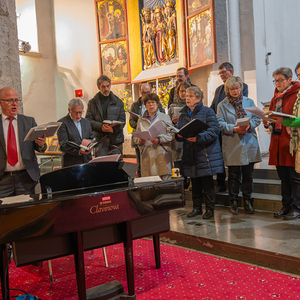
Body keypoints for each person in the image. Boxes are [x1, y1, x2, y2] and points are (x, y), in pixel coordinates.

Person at [176, 86, 223, 219]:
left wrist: (199, 138)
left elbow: (214, 131)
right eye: (186, 95)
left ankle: (210, 209)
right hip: (190, 153)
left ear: (199, 98)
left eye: (190, 96)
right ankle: (196, 208)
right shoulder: (183, 114)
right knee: (194, 184)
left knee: (207, 183)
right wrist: (178, 135)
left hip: (205, 153)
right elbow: (180, 129)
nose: (187, 98)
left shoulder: (208, 112)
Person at [217, 76, 261, 215]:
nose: (235, 91)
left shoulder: (249, 101)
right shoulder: (222, 105)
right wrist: (234, 128)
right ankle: (234, 201)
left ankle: (247, 200)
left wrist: (249, 125)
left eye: (237, 88)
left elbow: (257, 118)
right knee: (234, 175)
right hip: (233, 142)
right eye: (232, 89)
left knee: (248, 175)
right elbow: (219, 123)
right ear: (227, 90)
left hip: (248, 141)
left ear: (241, 87)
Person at [262, 67, 300, 220]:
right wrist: (267, 123)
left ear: (290, 80)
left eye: (280, 80)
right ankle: (286, 206)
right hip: (277, 143)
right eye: (275, 80)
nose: (277, 83)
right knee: (283, 178)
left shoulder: (297, 95)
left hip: (291, 142)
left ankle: (297, 208)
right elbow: (272, 118)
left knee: (295, 178)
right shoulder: (275, 98)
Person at [0, 87, 47, 198]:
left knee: (26, 213)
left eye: (16, 100)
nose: (15, 104)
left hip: (26, 178)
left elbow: (39, 146)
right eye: (10, 100)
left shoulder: (29, 121)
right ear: (1, 103)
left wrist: (41, 144)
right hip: (2, 179)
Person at [211, 62, 249, 193]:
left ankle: (245, 197)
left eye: (223, 72)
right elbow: (213, 108)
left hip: (241, 132)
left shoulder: (244, 88)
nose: (221, 75)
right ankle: (222, 185)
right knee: (225, 162)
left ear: (231, 71)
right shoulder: (218, 90)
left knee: (244, 171)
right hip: (226, 131)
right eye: (220, 73)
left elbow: (245, 108)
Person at [133, 93, 173, 180]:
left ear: (158, 104)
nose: (151, 105)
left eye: (153, 102)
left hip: (162, 154)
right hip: (147, 155)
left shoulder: (165, 117)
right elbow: (135, 138)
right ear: (145, 105)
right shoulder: (141, 120)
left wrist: (159, 139)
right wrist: (140, 140)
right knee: (149, 185)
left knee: (164, 184)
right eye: (148, 103)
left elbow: (171, 135)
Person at [129, 83, 164, 177]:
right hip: (142, 138)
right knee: (141, 165)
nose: (144, 95)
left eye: (147, 92)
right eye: (143, 93)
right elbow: (131, 121)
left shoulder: (158, 105)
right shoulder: (135, 105)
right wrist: (141, 125)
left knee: (157, 164)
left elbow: (163, 122)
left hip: (156, 138)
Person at [86, 75, 125, 157]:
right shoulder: (92, 103)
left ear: (110, 85)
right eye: (103, 87)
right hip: (100, 140)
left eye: (107, 86)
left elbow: (122, 120)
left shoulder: (118, 102)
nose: (106, 89)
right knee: (101, 166)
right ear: (98, 87)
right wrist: (101, 127)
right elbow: (88, 120)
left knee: (116, 167)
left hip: (115, 140)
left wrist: (112, 130)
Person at [57, 98, 94, 167]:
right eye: (75, 112)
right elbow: (63, 145)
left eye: (80, 112)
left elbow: (92, 138)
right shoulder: (62, 123)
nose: (78, 115)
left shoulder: (86, 122)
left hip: (87, 161)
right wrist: (79, 152)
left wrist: (89, 142)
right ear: (69, 110)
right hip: (71, 163)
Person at [168, 81, 191, 188]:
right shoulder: (173, 106)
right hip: (177, 140)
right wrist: (173, 122)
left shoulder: (191, 105)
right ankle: (180, 186)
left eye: (186, 91)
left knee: (188, 164)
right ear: (178, 92)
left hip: (189, 138)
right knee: (178, 165)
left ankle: (188, 183)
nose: (184, 93)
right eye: (182, 91)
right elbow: (168, 124)